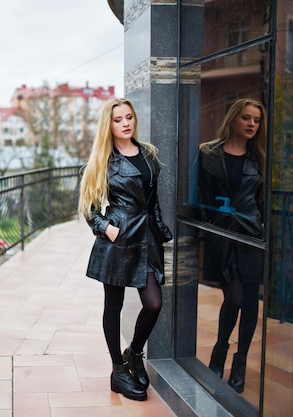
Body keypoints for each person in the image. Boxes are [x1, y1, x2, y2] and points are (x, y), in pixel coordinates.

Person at [78, 98, 172, 401]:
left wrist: (161, 230)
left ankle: (134, 352)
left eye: (129, 117)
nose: (125, 123)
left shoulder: (149, 155)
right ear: (110, 124)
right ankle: (118, 371)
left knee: (154, 302)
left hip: (147, 239)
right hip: (118, 241)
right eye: (118, 119)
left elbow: (153, 200)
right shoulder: (103, 160)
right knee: (113, 305)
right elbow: (90, 207)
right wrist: (106, 228)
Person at [198, 98, 267, 393]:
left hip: (252, 238)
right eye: (246, 118)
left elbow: (263, 201)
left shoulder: (260, 158)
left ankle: (240, 365)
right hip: (223, 237)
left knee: (251, 304)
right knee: (235, 298)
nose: (252, 124)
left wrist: (264, 234)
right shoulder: (207, 153)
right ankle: (220, 352)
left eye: (257, 120)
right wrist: (207, 228)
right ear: (233, 120)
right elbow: (199, 194)